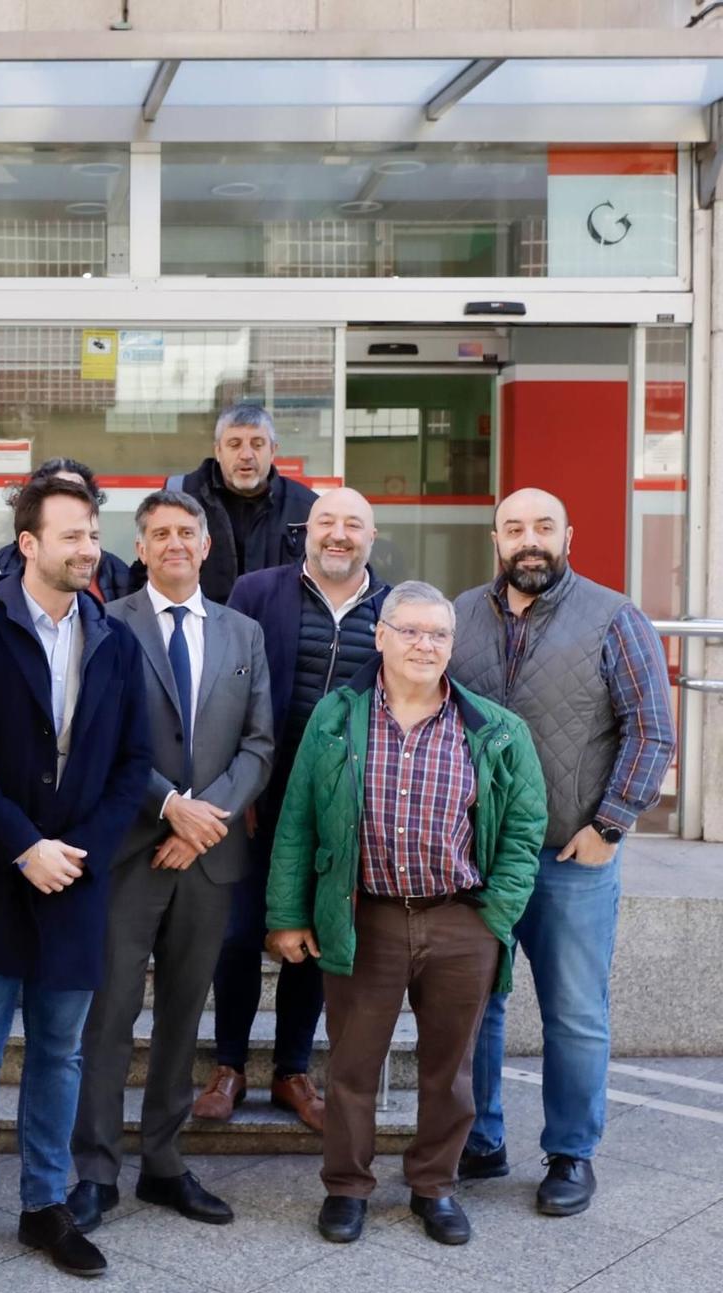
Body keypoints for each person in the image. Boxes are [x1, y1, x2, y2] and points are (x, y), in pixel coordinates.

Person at [0, 473, 151, 1293]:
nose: (90, 548)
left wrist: (75, 852)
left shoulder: (117, 641)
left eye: (93, 533)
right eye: (72, 536)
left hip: (77, 885)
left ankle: (45, 1204)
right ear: (29, 545)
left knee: (61, 1051)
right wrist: (24, 846)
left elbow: (132, 768)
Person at [266, 581, 546, 1247]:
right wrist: (287, 914)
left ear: (453, 645)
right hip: (367, 916)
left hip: (460, 918)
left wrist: (494, 916)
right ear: (381, 636)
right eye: (411, 630)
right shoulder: (335, 718)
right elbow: (297, 821)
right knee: (355, 1065)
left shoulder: (496, 731)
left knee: (449, 1070)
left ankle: (434, 1186)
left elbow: (525, 831)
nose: (425, 644)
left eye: (439, 634)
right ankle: (347, 1187)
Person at [452, 488, 674, 1216]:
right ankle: (478, 1139)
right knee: (475, 1006)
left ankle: (571, 1153)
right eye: (515, 528)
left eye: (544, 526)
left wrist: (609, 827)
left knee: (574, 1011)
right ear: (496, 539)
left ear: (568, 534)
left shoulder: (615, 617)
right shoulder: (456, 618)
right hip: (477, 859)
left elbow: (652, 731)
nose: (530, 540)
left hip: (571, 855)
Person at [68, 490, 273, 1233]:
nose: (175, 543)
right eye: (159, 533)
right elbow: (98, 737)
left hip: (208, 858)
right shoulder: (105, 625)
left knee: (185, 1015)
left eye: (187, 531)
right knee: (111, 1016)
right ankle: (94, 1169)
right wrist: (168, 808)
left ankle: (163, 1162)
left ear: (207, 545)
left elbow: (260, 746)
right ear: (142, 547)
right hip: (130, 851)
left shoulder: (243, 635)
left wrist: (204, 819)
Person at [195, 488, 391, 1132]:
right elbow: (224, 691)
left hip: (339, 809)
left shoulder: (390, 608)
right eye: (328, 522)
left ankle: (292, 1069)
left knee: (313, 933)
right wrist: (231, 791)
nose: (339, 535)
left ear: (371, 536)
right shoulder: (257, 591)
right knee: (236, 933)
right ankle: (228, 1065)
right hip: (256, 797)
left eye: (353, 525)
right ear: (307, 530)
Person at [169, 404, 318, 602]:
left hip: (275, 630)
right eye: (234, 444)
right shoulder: (180, 497)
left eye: (257, 444)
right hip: (199, 628)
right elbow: (150, 570)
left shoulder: (307, 509)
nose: (246, 455)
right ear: (218, 451)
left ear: (273, 451)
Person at [0, 459, 137, 603]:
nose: (88, 551)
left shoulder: (116, 570)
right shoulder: (2, 564)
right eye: (70, 537)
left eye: (93, 537)